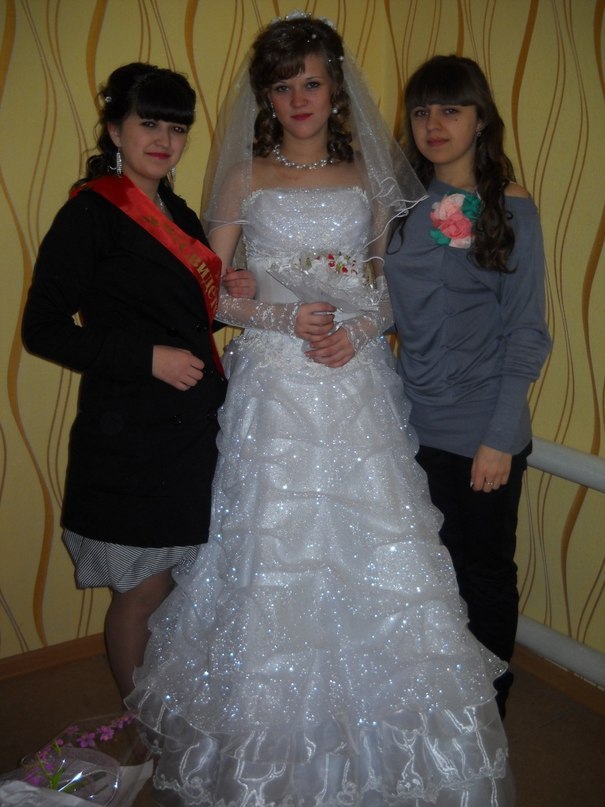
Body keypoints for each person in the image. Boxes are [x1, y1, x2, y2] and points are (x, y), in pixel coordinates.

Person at [126, 17, 514, 805]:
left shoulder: (370, 174)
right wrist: (276, 315)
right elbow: (208, 290)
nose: (298, 99)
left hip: (354, 381)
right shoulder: (242, 176)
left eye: (310, 82)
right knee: (274, 550)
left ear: (334, 87)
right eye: (282, 86)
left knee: (373, 549)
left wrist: (362, 327)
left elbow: (389, 283)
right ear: (265, 97)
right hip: (274, 388)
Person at [21, 62, 253, 699]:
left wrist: (232, 292)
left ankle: (164, 703)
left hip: (191, 430)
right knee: (142, 589)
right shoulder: (90, 215)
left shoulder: (178, 213)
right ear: (115, 129)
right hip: (130, 433)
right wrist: (146, 357)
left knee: (177, 584)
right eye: (149, 123)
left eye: (176, 128)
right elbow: (43, 330)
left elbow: (190, 315)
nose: (164, 140)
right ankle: (140, 720)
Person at [384, 55, 551, 719]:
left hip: (481, 431)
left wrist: (499, 438)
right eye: (422, 111)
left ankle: (486, 713)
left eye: (450, 109)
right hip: (410, 426)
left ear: (480, 119)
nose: (433, 124)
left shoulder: (510, 208)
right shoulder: (407, 206)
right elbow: (400, 306)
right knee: (428, 574)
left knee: (482, 576)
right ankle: (441, 702)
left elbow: (526, 333)